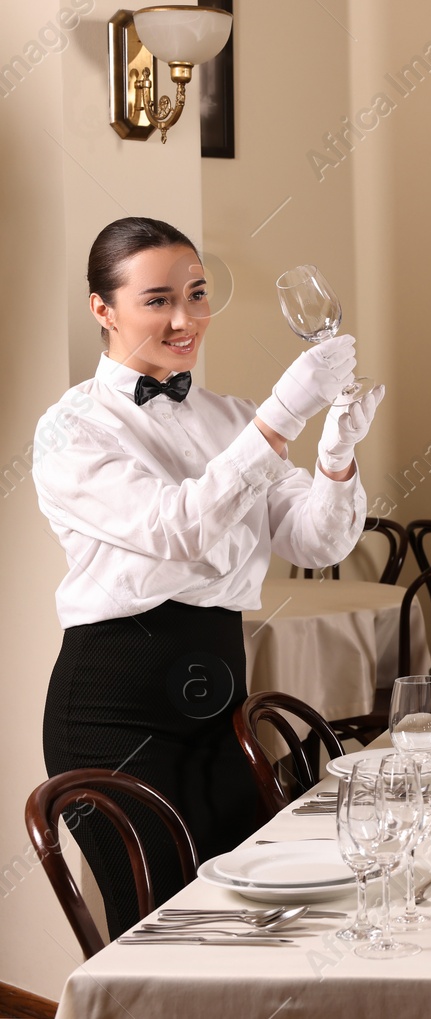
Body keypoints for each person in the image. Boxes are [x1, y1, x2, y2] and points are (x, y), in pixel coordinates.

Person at [34, 217, 384, 936]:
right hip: (114, 707)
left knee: (260, 914)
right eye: (158, 299)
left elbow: (316, 538)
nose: (186, 318)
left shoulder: (231, 417)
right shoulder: (72, 429)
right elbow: (177, 529)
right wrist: (285, 416)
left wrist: (336, 455)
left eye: (196, 294)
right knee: (163, 928)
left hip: (219, 703)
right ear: (103, 309)